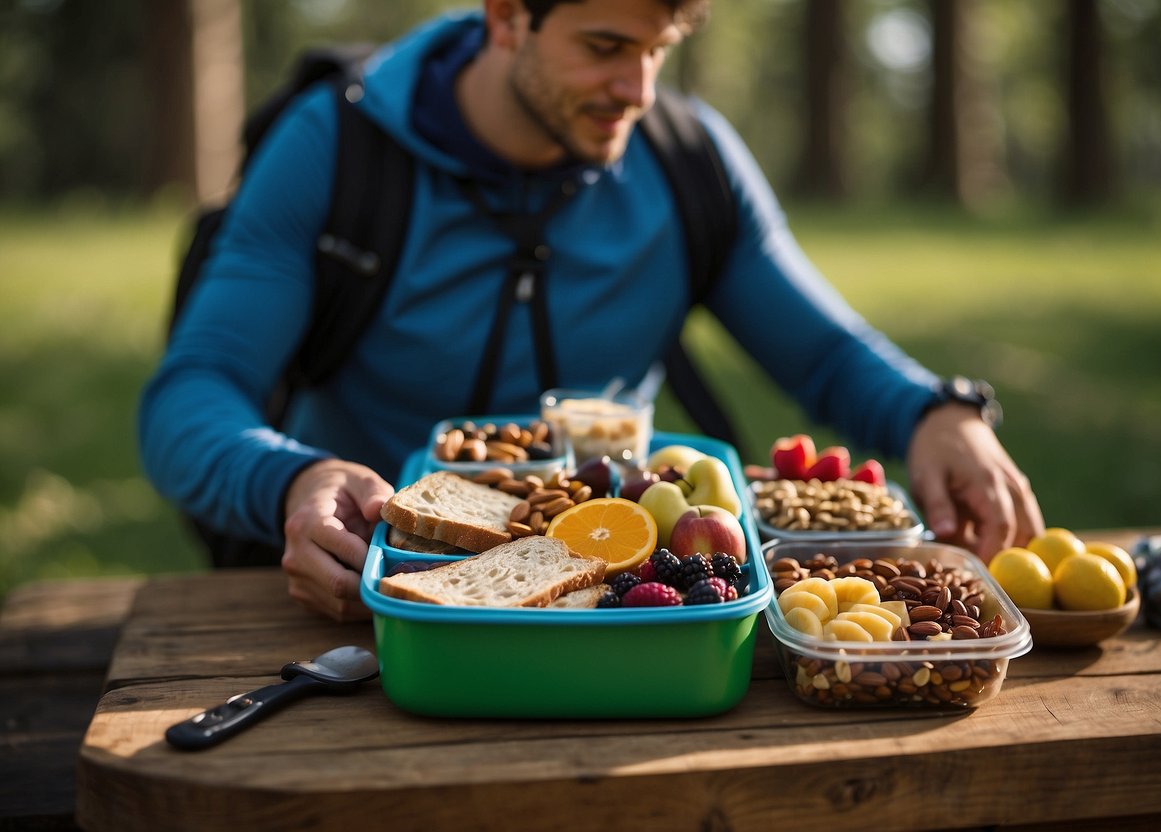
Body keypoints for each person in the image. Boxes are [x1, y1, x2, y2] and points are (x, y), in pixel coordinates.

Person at [139, 0, 1043, 621]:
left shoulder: (690, 161)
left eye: (658, 50)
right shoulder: (333, 146)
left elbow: (822, 352)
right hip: (372, 612)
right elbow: (193, 392)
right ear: (505, 16)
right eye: (606, 47)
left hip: (621, 602)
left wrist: (935, 414)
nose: (639, 92)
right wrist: (288, 481)